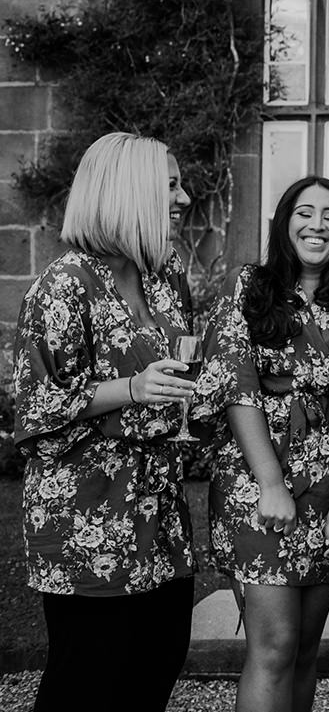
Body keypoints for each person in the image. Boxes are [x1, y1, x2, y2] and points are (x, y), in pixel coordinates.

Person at [12, 132, 195, 712]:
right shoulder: (62, 287)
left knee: (154, 670)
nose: (184, 197)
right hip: (87, 522)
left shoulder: (165, 278)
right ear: (129, 192)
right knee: (86, 685)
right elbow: (33, 409)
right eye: (170, 185)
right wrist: (131, 389)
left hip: (160, 516)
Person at [198, 176, 329, 712]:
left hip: (327, 490)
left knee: (305, 650)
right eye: (305, 212)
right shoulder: (251, 287)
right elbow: (236, 383)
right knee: (274, 648)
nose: (317, 224)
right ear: (284, 223)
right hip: (261, 484)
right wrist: (271, 484)